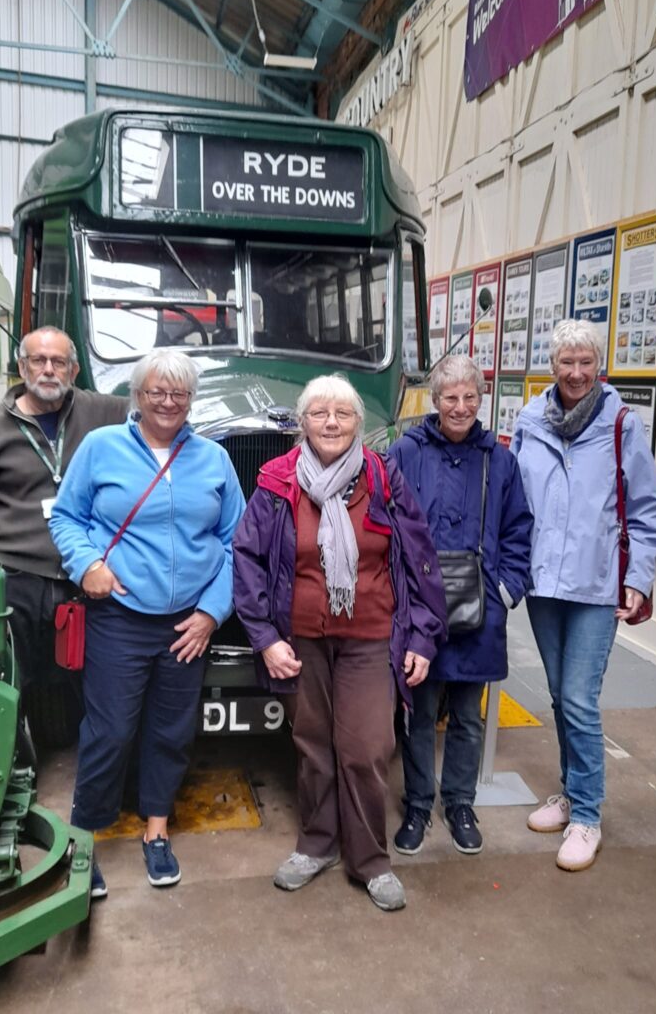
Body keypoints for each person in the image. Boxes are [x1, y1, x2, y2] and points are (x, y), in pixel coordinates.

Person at [233, 374, 446, 912]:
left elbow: (420, 560)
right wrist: (264, 638)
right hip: (301, 640)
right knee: (312, 746)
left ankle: (370, 860)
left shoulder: (383, 477)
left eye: (343, 414)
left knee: (367, 748)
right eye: (320, 413)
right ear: (302, 422)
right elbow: (248, 558)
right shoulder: (277, 480)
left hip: (372, 636)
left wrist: (423, 635)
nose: (331, 423)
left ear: (358, 422)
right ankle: (317, 844)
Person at [49, 347, 245, 897]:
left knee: (171, 731)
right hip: (120, 618)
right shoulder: (101, 447)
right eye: (157, 391)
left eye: (179, 393)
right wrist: (88, 565)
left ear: (191, 400)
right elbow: (66, 517)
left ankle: (156, 830)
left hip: (188, 626)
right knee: (109, 732)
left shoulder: (213, 459)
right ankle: (84, 838)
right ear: (137, 395)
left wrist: (211, 613)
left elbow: (237, 542)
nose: (168, 401)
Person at [511, 319, 656, 872]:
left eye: (586, 362)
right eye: (566, 362)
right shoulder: (530, 421)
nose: (576, 373)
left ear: (599, 366)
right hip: (543, 584)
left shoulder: (622, 424)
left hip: (597, 585)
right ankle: (570, 791)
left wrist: (638, 577)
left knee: (579, 698)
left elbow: (650, 511)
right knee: (559, 696)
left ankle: (586, 815)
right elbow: (515, 499)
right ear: (552, 366)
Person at [0, 327, 128, 751]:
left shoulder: (101, 411)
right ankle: (17, 769)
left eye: (59, 362)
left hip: (84, 576)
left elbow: (159, 405)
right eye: (38, 360)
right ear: (22, 367)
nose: (48, 370)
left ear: (74, 369)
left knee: (96, 683)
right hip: (18, 577)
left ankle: (97, 767)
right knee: (12, 684)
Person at [387, 355, 532, 856]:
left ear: (481, 399)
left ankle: (460, 804)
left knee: (468, 716)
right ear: (435, 400)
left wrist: (506, 591)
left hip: (480, 610)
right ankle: (418, 805)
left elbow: (519, 529)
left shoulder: (500, 461)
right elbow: (385, 520)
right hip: (419, 609)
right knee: (419, 714)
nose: (460, 406)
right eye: (450, 397)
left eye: (470, 397)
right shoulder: (406, 452)